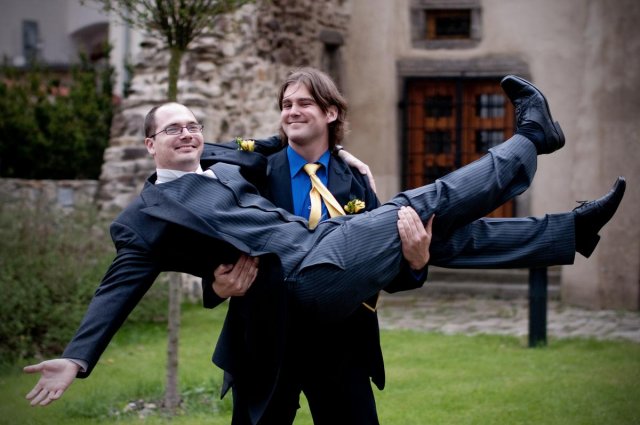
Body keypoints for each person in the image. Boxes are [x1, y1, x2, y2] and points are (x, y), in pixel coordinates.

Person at [24, 75, 625, 424]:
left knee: (430, 228)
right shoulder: (144, 219)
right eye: (172, 128)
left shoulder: (232, 164)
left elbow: (263, 146)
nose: (187, 133)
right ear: (149, 145)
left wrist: (414, 259)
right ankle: (530, 140)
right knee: (422, 201)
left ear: (330, 114)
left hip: (337, 302)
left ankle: (567, 233)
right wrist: (77, 358)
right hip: (285, 306)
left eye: (193, 125)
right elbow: (118, 287)